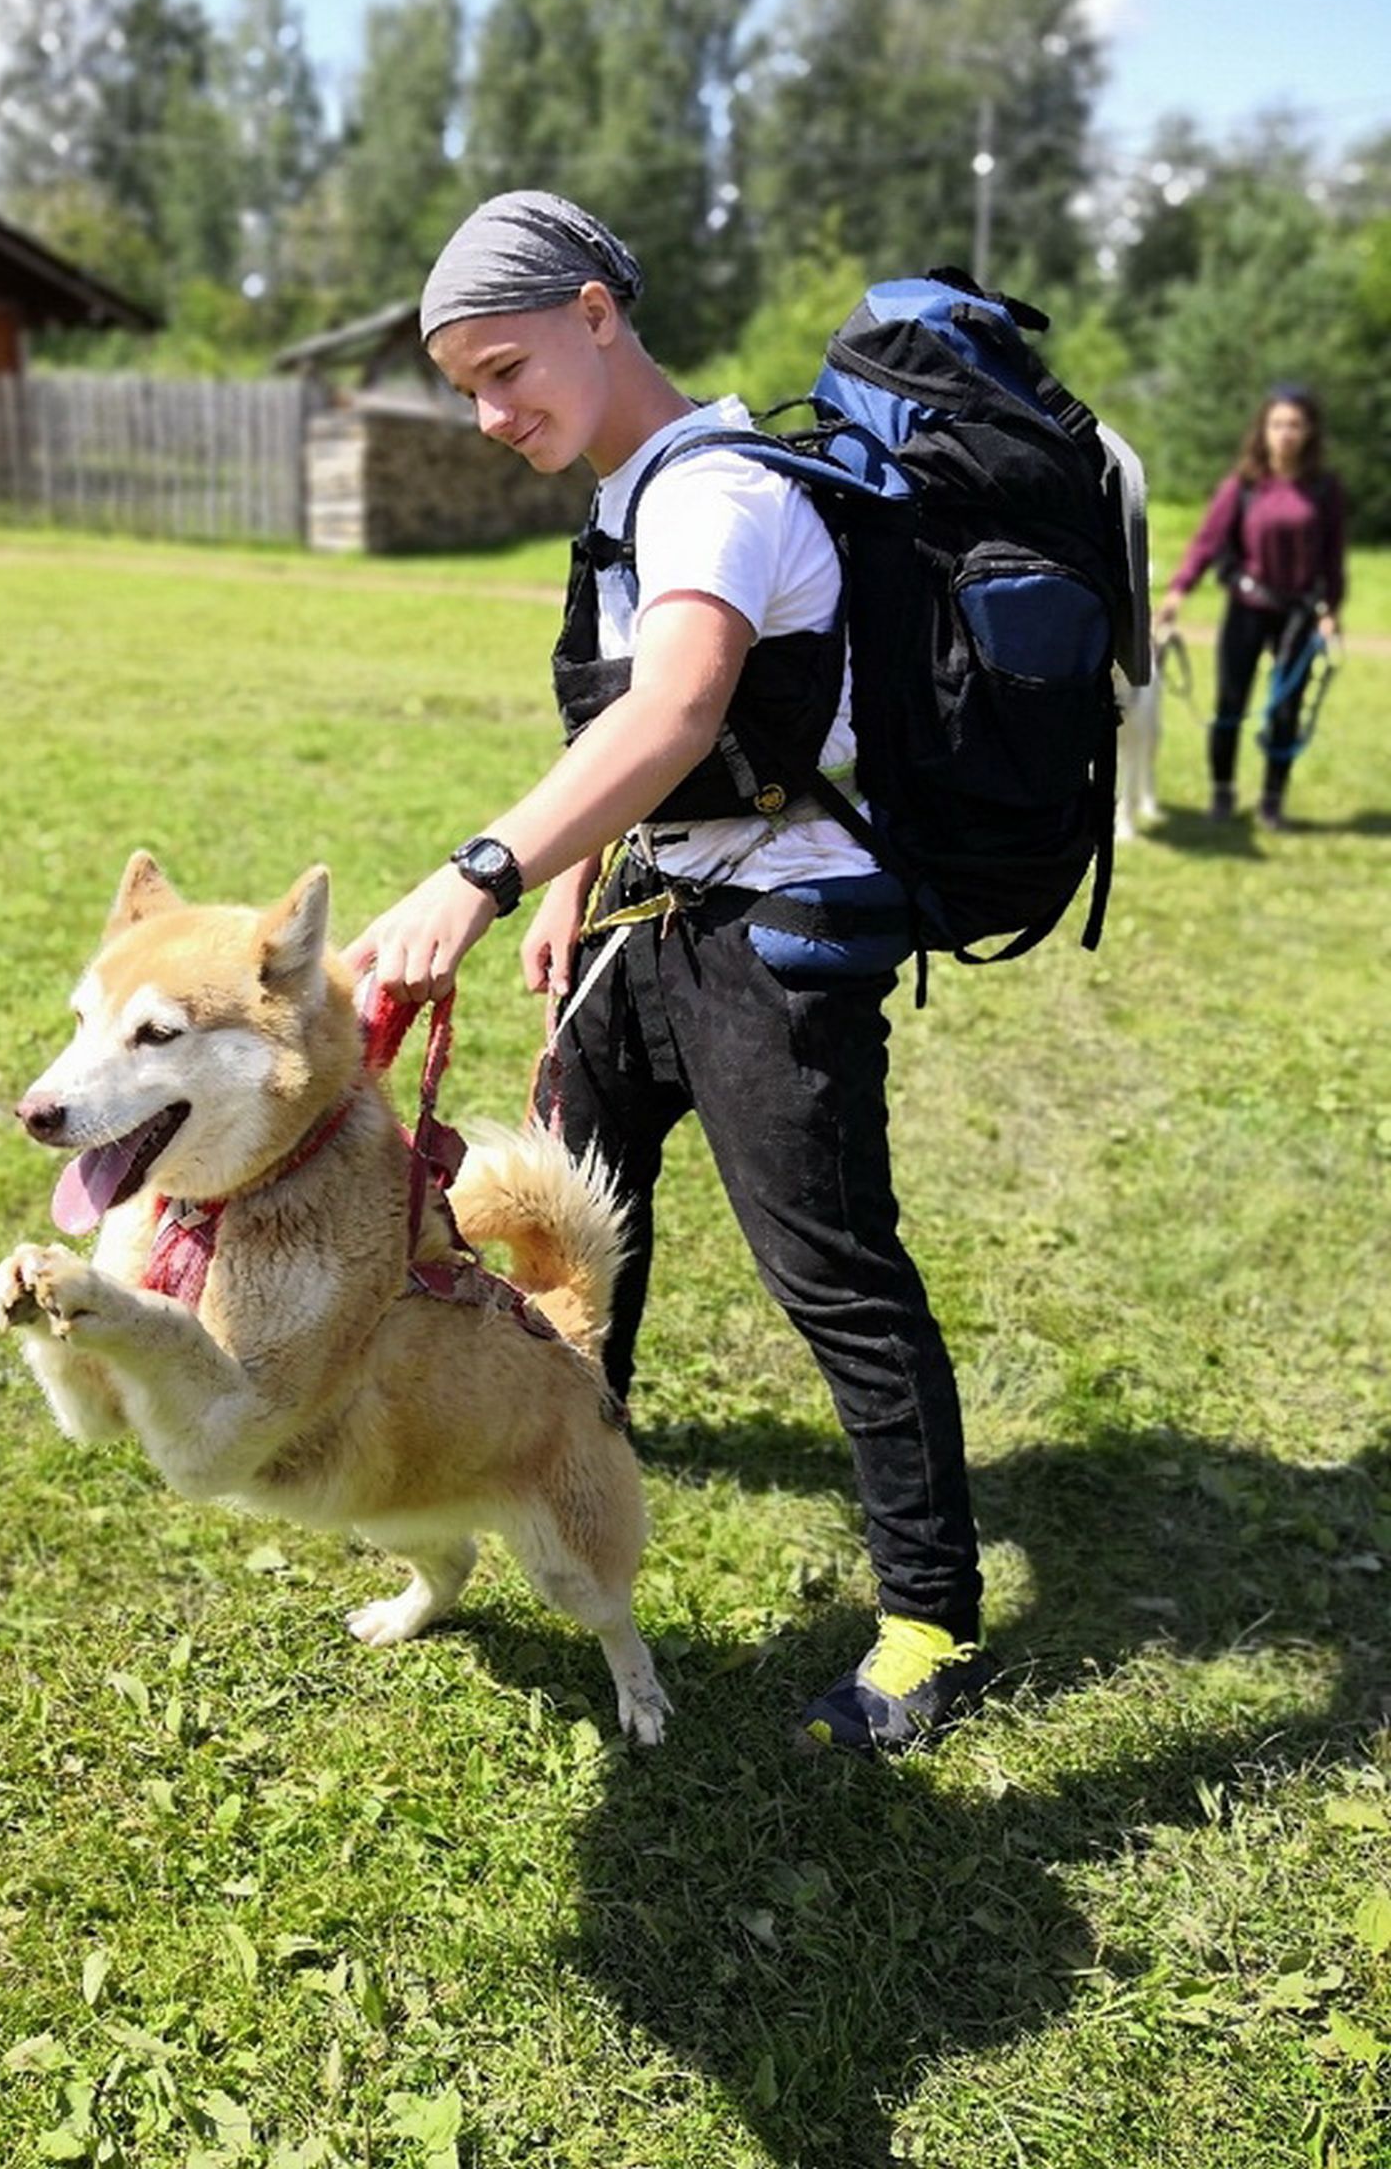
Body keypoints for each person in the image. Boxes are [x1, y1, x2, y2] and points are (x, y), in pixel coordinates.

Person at [342, 190, 990, 1755]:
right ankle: (559, 1471)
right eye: (466, 391)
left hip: (779, 946)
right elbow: (618, 740)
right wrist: (574, 878)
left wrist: (483, 873)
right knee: (559, 1214)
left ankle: (929, 1617)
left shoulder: (709, 495)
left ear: (595, 310)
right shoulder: (633, 494)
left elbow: (679, 711)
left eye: (506, 369)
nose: (494, 414)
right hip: (655, 916)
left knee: (833, 1274)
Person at [1155, 384, 1346, 829]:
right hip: (1247, 605)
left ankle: (1272, 802)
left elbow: (1332, 556)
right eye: (1277, 424)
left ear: (1309, 431)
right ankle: (1222, 795)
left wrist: (1331, 609)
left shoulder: (1324, 489)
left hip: (1300, 613)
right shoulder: (1242, 485)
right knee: (1231, 703)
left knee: (1286, 707)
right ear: (1263, 429)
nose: (1286, 433)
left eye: (1295, 425)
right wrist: (1179, 590)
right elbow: (1206, 542)